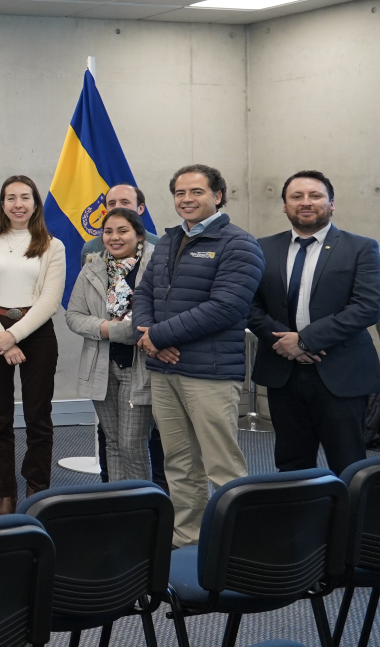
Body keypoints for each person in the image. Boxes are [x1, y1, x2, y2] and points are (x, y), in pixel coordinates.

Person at [135, 164, 264, 548]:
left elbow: (225, 307)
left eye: (196, 192)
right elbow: (143, 294)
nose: (186, 200)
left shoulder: (239, 244)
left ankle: (238, 542)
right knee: (178, 463)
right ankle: (187, 537)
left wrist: (157, 335)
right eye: (180, 193)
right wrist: (148, 335)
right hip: (164, 370)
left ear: (218, 196)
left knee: (222, 464)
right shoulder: (168, 241)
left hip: (209, 373)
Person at [249, 171, 380, 475]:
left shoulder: (361, 248)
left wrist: (305, 340)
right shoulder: (262, 248)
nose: (306, 203)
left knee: (349, 463)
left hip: (341, 372)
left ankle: (351, 525)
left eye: (315, 196)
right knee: (291, 462)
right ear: (285, 206)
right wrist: (284, 343)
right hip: (283, 370)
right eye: (296, 197)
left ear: (331, 203)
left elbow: (367, 307)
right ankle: (299, 522)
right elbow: (248, 305)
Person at [0, 175, 66, 515]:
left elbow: (50, 301)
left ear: (35, 203)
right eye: (11, 198)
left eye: (25, 197)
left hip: (36, 333)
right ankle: (6, 493)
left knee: (38, 416)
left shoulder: (53, 246)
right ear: (3, 204)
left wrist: (15, 336)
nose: (18, 204)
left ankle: (36, 488)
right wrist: (1, 337)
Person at [65, 207, 153, 482]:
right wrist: (109, 329)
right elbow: (74, 316)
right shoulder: (93, 267)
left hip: (141, 366)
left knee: (132, 444)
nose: (114, 237)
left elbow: (159, 317)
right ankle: (119, 506)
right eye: (108, 231)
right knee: (112, 442)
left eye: (123, 231)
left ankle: (142, 508)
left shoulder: (156, 267)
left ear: (139, 235)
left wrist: (121, 331)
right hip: (101, 366)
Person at [80, 184, 160, 260]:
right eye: (112, 203)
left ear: (141, 209)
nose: (117, 207)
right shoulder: (91, 248)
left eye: (125, 202)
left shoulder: (159, 245)